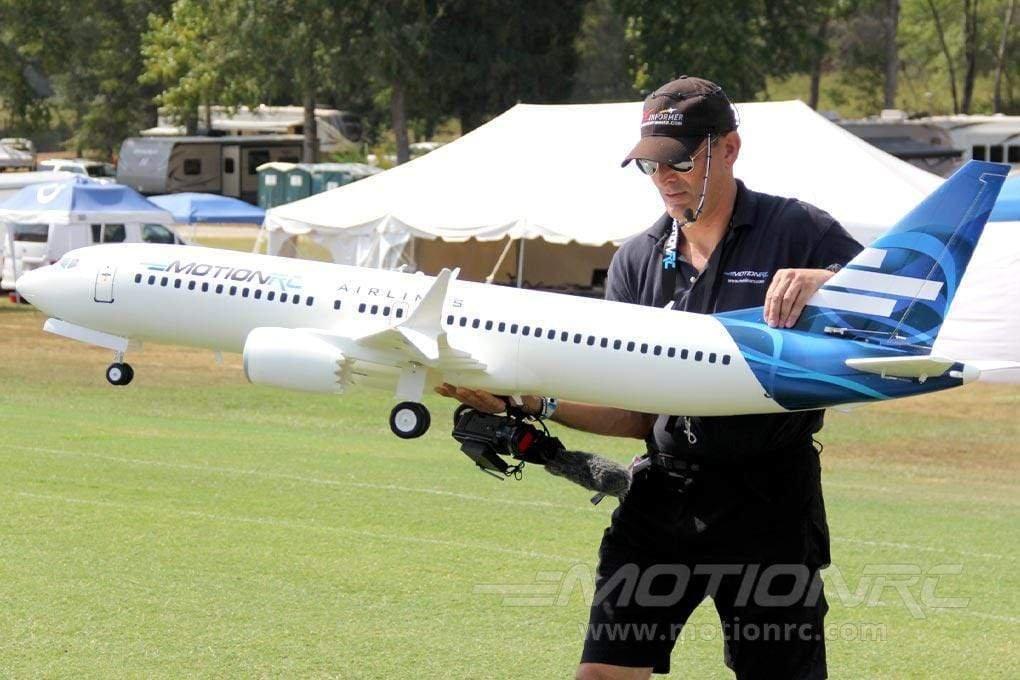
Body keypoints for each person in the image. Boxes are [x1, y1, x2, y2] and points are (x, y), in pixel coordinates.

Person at [436, 75, 862, 679]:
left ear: (729, 148)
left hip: (769, 500)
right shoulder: (636, 260)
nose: (664, 177)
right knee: (604, 674)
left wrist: (828, 282)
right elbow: (634, 411)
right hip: (662, 494)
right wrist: (530, 402)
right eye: (651, 164)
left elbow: (905, 301)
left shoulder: (798, 230)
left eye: (680, 160)